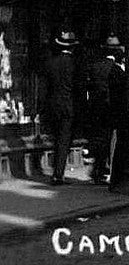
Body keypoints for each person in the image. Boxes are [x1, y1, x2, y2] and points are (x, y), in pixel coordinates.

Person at [83, 36, 126, 185]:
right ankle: (103, 169)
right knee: (108, 141)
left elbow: (88, 87)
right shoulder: (116, 70)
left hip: (95, 109)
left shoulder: (95, 66)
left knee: (98, 138)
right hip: (111, 110)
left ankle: (98, 169)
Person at [43, 31, 83, 185]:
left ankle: (56, 171)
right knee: (64, 140)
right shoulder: (73, 63)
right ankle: (58, 174)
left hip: (53, 105)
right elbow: (77, 87)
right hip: (68, 106)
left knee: (56, 139)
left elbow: (45, 87)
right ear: (72, 48)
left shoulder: (51, 62)